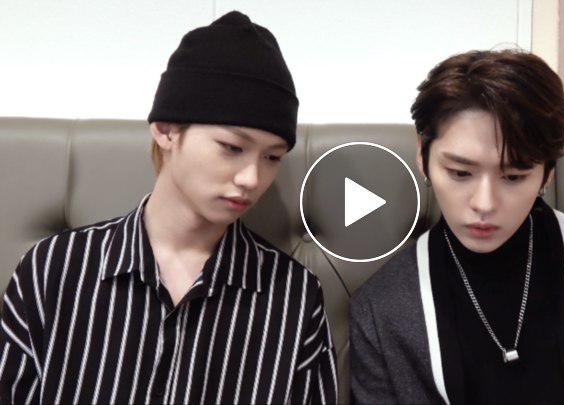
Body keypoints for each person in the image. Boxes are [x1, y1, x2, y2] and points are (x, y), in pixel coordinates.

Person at [0, 11, 337, 404]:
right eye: (232, 147)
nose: (252, 178)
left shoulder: (294, 296)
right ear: (166, 130)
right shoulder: (53, 269)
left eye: (272, 157)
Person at [349, 49, 564, 404]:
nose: (485, 203)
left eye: (513, 176)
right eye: (460, 173)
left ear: (548, 172)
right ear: (422, 154)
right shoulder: (381, 309)